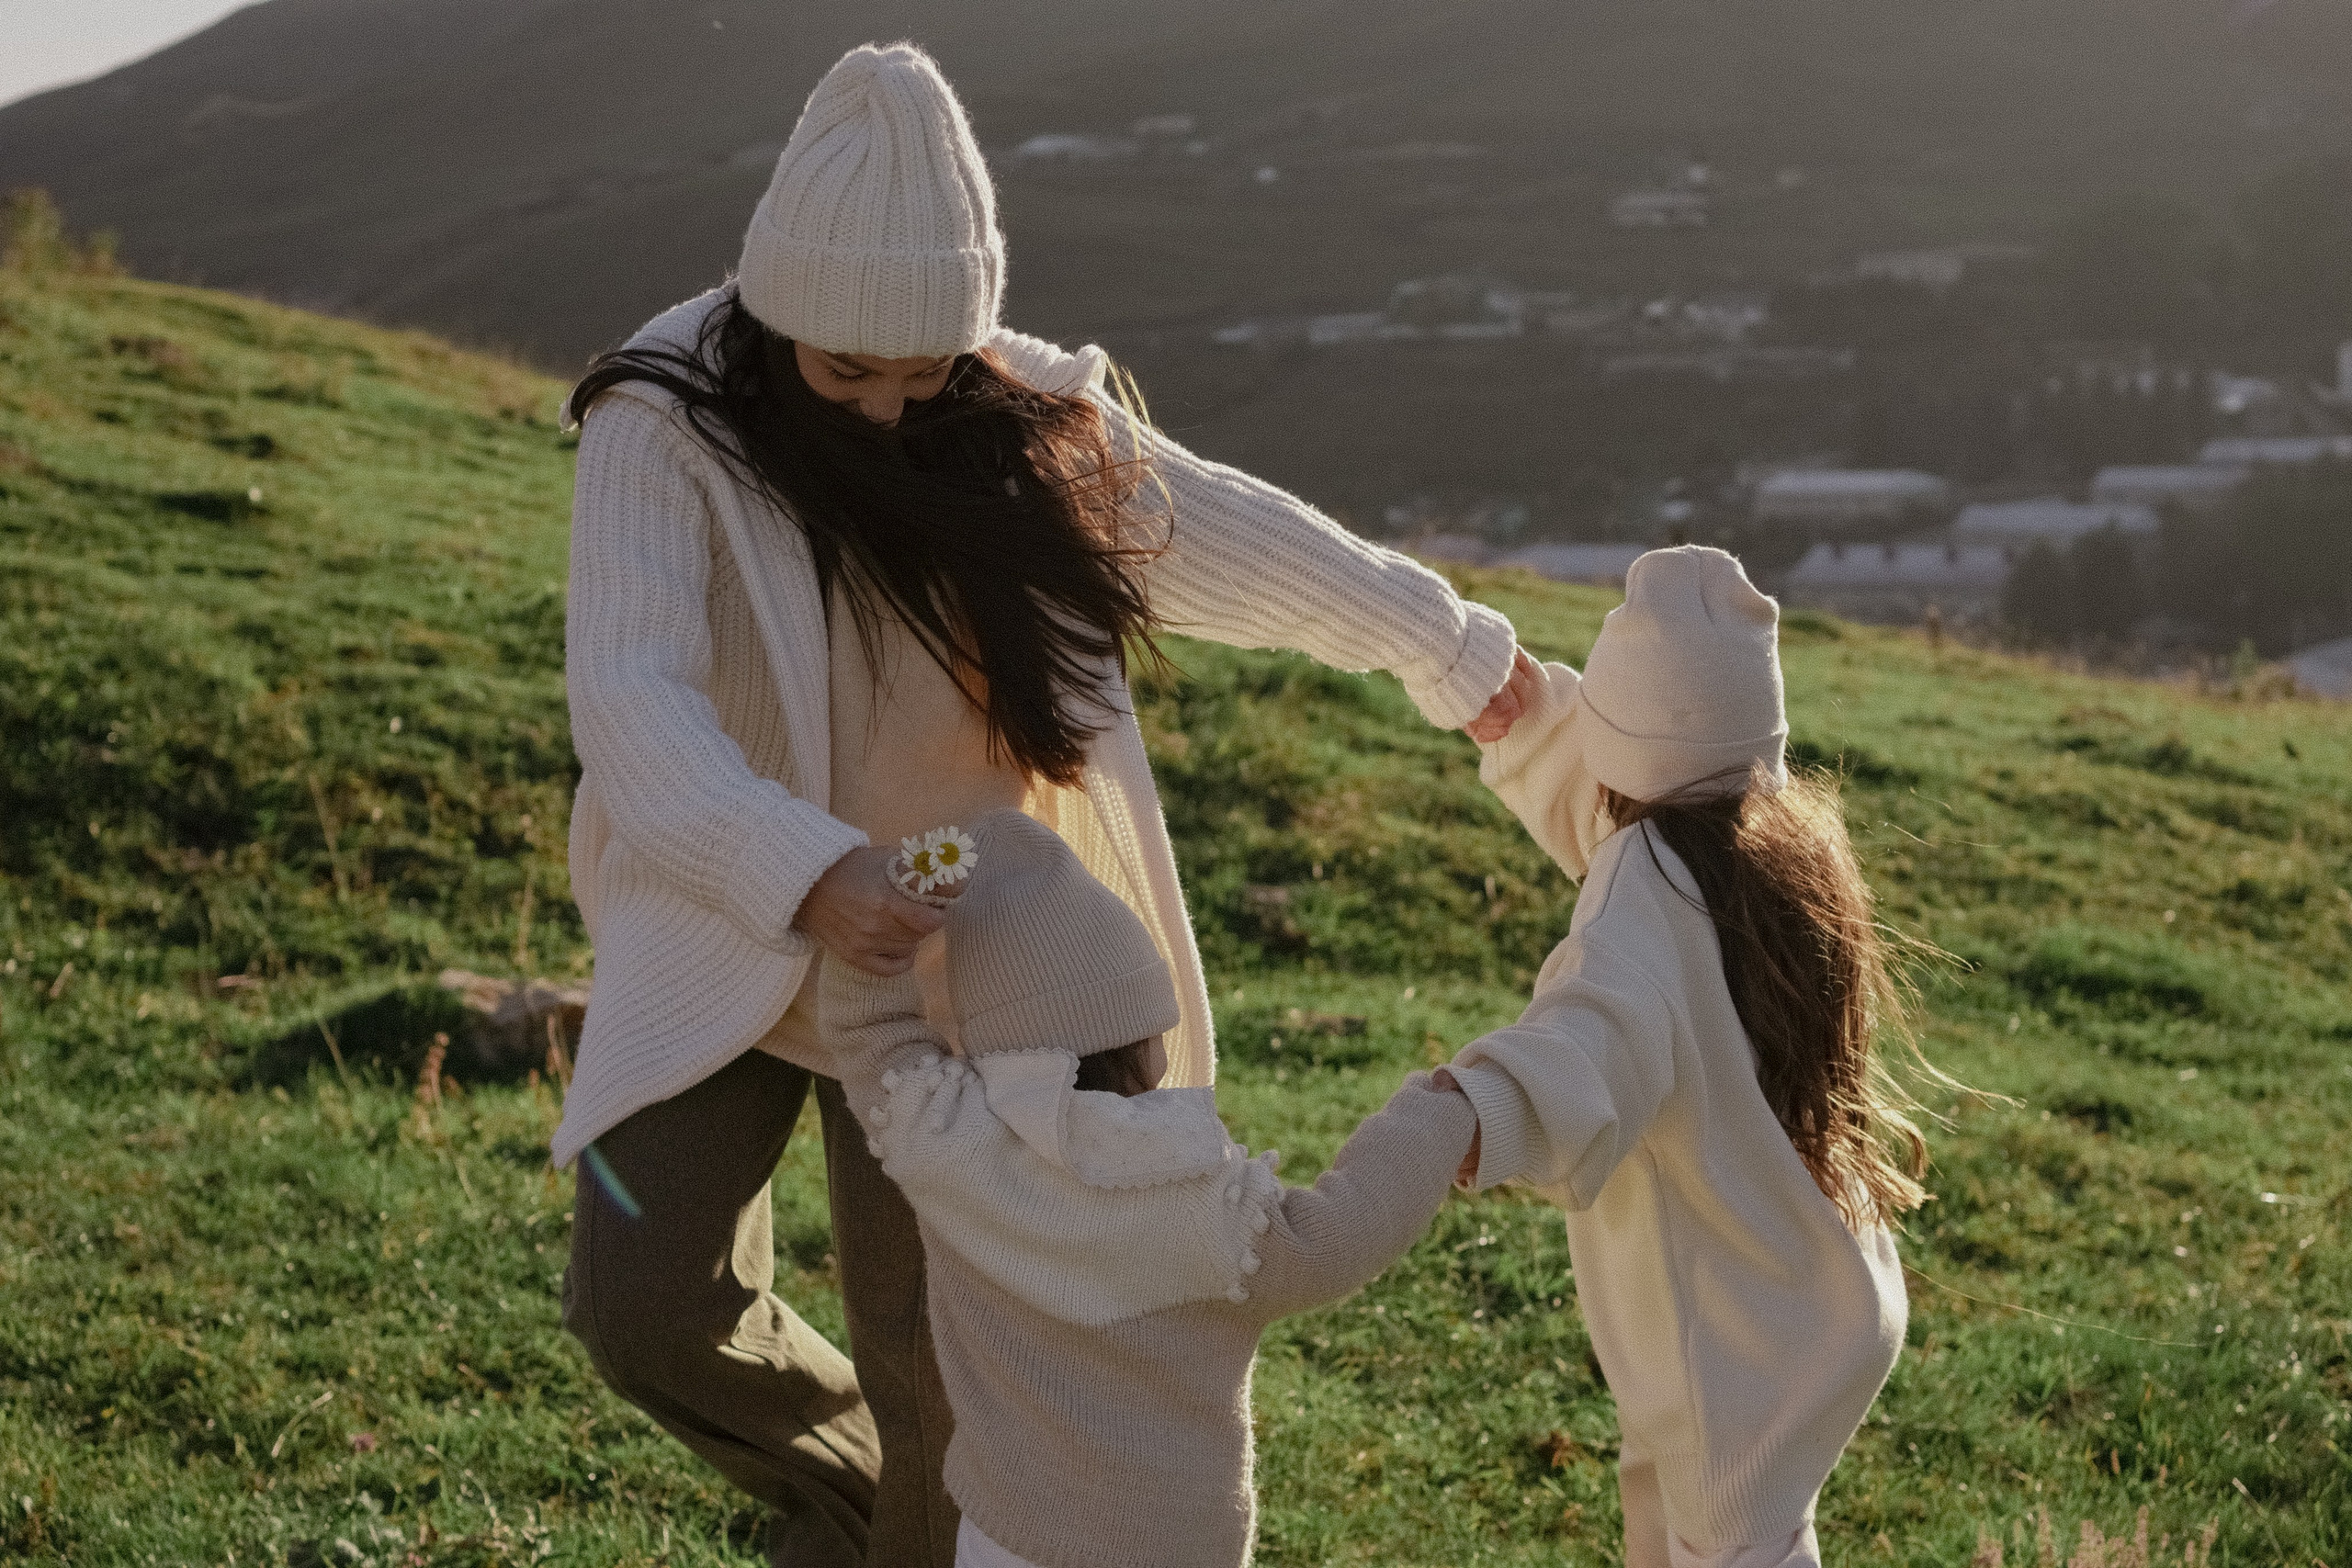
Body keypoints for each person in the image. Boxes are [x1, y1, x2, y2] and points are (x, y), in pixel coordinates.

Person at [552, 39, 1538, 1567]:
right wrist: (805, 872)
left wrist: (1460, 654)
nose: (887, 408)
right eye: (844, 372)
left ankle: (910, 1535)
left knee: (945, 1376)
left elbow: (1236, 541)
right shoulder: (665, 418)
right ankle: (848, 1500)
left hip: (971, 953)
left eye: (922, 370)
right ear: (774, 307)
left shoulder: (1013, 416)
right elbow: (632, 698)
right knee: (643, 1304)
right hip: (741, 919)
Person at [1440, 547, 1933, 1568]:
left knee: (1732, 1546)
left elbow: (1593, 1034)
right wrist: (1537, 726)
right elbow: (1631, 805)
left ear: (1617, 758)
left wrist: (1483, 1107)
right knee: (1674, 1517)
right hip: (1811, 1287)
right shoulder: (1770, 844)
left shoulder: (1638, 895)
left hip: (1726, 1348)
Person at [820, 809, 1478, 1568]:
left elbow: (869, 1032)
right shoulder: (1199, 1200)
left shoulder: (948, 1142)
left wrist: (903, 895)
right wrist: (1438, 1114)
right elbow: (1339, 1236)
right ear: (1146, 1039)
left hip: (1004, 1536)